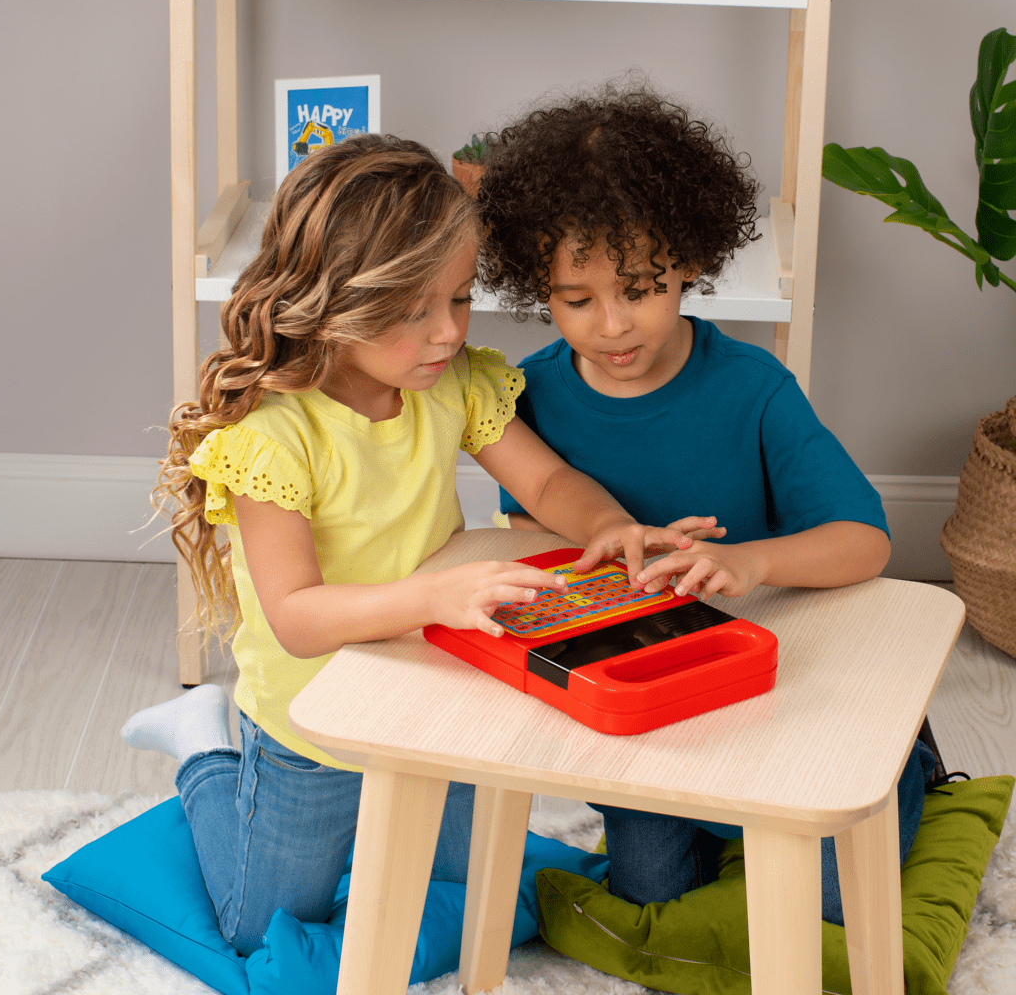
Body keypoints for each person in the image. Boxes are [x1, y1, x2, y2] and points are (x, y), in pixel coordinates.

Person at [120, 134, 703, 957]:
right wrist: (433, 600)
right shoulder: (275, 436)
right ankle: (204, 746)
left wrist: (609, 525)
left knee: (471, 902)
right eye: (410, 313)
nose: (445, 334)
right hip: (310, 724)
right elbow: (295, 615)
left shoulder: (451, 381)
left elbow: (543, 484)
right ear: (334, 303)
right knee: (259, 926)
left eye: (459, 299)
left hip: (434, 695)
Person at [476, 82, 936, 925]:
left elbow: (864, 540)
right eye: (577, 300)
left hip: (788, 675)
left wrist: (749, 561)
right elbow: (530, 527)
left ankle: (908, 758)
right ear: (536, 285)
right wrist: (616, 549)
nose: (613, 325)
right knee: (650, 888)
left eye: (642, 288)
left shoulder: (752, 388)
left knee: (829, 902)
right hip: (658, 691)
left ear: (690, 259)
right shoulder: (529, 397)